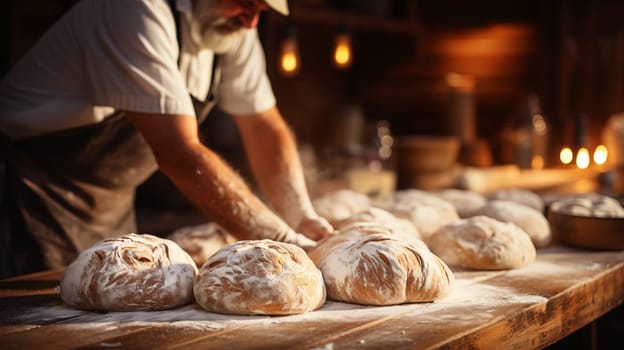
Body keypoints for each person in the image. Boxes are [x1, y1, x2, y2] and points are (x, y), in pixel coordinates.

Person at [0, 0, 334, 277]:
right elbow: (179, 150)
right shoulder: (133, 9)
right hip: (32, 190)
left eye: (261, 9)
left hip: (110, 199)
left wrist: (300, 215)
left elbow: (263, 124)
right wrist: (281, 239)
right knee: (42, 317)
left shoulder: (232, 29)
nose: (251, 21)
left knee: (110, 311)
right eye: (245, 3)